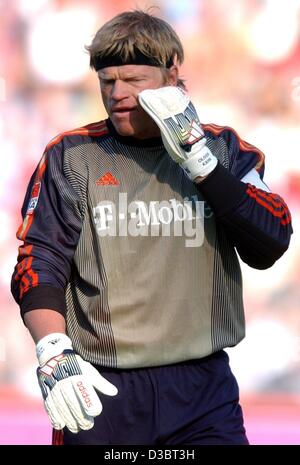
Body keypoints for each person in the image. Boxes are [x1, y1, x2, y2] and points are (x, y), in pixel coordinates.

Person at [11, 10, 292, 446]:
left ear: (171, 72)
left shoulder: (223, 147)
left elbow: (271, 241)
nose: (118, 93)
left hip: (203, 392)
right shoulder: (72, 156)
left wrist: (200, 163)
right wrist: (52, 349)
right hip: (101, 391)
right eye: (108, 81)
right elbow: (38, 262)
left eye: (133, 80)